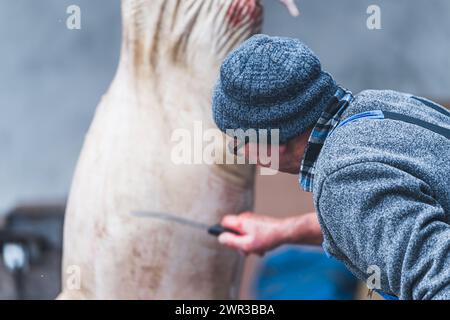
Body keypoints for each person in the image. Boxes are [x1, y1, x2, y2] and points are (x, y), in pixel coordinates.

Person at [211, 34, 450, 300]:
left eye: (238, 143)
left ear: (269, 142)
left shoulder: (343, 180)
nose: (243, 153)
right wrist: (282, 231)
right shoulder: (381, 104)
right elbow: (386, 214)